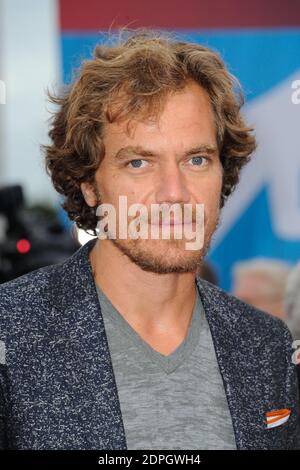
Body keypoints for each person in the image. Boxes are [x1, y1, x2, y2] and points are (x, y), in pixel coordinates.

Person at [0, 28, 299, 450]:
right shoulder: (11, 332)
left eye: (197, 159)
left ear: (222, 172)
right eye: (139, 162)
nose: (174, 192)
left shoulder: (266, 345)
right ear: (89, 184)